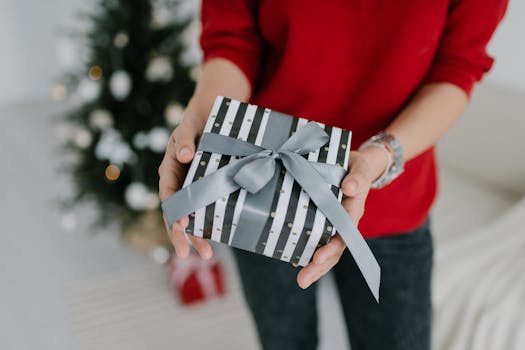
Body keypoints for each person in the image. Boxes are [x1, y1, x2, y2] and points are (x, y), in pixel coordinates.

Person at [158, 1, 507, 349]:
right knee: (284, 341)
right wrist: (203, 124)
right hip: (259, 191)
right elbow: (234, 41)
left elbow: (457, 67)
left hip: (390, 199)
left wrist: (379, 158)